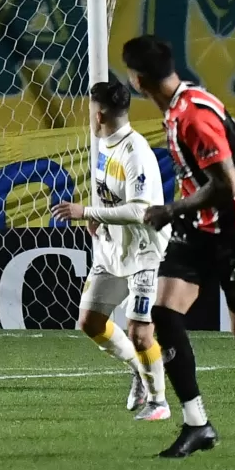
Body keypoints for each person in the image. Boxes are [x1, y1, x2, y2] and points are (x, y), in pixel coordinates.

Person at [120, 33, 235, 458]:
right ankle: (197, 424)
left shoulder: (191, 115)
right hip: (198, 228)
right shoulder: (178, 106)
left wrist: (170, 210)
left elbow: (227, 185)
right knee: (164, 314)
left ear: (137, 79)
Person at [51, 78, 170, 420]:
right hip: (111, 247)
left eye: (90, 110)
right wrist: (98, 213)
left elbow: (139, 209)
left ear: (100, 114)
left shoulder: (136, 153)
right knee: (89, 321)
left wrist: (85, 212)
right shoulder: (103, 143)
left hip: (144, 253)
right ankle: (137, 368)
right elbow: (109, 191)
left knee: (140, 331)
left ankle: (159, 402)